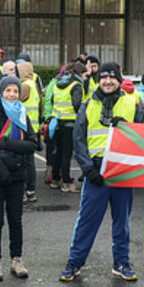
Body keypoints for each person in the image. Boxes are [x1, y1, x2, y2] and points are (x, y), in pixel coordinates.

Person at [59, 62, 144, 282]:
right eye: (104, 77)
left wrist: (126, 126)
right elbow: (79, 140)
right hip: (96, 172)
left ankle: (122, 263)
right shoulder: (88, 104)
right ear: (99, 80)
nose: (108, 81)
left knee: (122, 222)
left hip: (122, 171)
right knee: (87, 221)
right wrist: (88, 169)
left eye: (112, 78)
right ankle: (74, 263)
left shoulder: (132, 102)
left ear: (119, 80)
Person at [0, 76, 37, 281]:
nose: (12, 95)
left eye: (15, 91)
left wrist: (6, 144)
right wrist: (1, 173)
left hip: (17, 174)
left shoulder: (22, 114)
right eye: (8, 91)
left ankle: (17, 259)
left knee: (15, 219)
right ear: (1, 92)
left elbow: (32, 144)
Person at [49, 62, 87, 193]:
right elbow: (77, 104)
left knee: (58, 152)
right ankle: (66, 181)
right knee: (67, 153)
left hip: (57, 121)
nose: (86, 78)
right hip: (70, 123)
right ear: (80, 74)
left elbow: (53, 100)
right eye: (85, 75)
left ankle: (55, 179)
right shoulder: (76, 85)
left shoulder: (58, 83)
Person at [17, 60, 42, 203]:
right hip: (33, 127)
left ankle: (28, 191)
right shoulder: (33, 84)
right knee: (30, 161)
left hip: (24, 128)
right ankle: (31, 191)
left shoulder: (25, 86)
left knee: (26, 162)